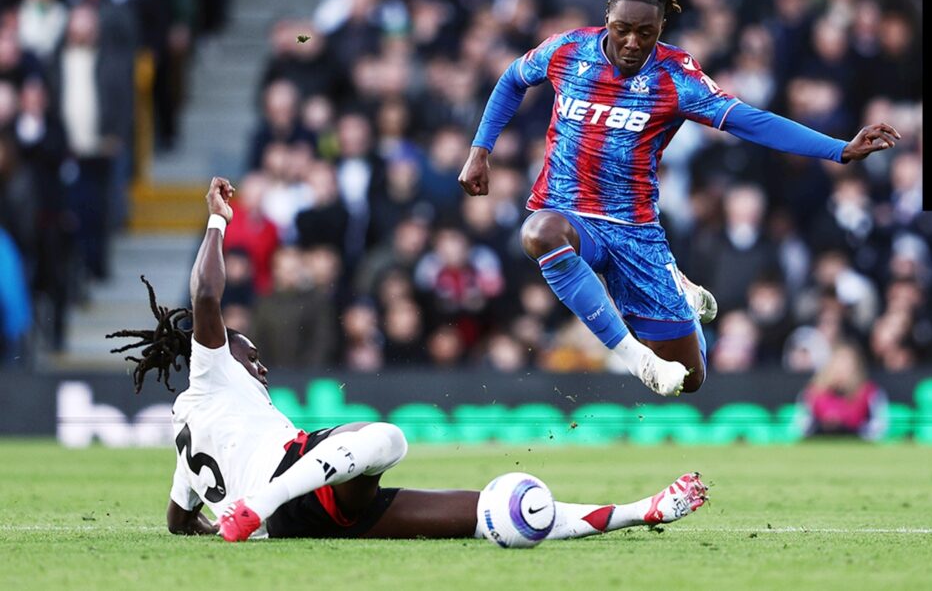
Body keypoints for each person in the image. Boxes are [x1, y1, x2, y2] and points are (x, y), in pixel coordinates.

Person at [108, 177, 708, 542]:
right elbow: (207, 295)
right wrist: (217, 218)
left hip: (307, 514)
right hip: (286, 484)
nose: (259, 365)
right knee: (387, 438)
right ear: (215, 355)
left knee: (498, 514)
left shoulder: (187, 437)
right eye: (251, 353)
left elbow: (177, 521)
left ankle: (643, 510)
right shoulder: (211, 375)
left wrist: (211, 522)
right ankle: (257, 506)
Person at [458, 0, 900, 397]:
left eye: (646, 33)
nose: (632, 42)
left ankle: (678, 290)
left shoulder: (675, 77)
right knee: (539, 232)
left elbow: (750, 120)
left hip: (634, 231)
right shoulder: (567, 50)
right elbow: (513, 79)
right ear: (607, 20)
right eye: (623, 29)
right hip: (571, 214)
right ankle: (635, 358)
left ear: (660, 31)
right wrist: (481, 150)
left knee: (689, 380)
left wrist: (837, 148)